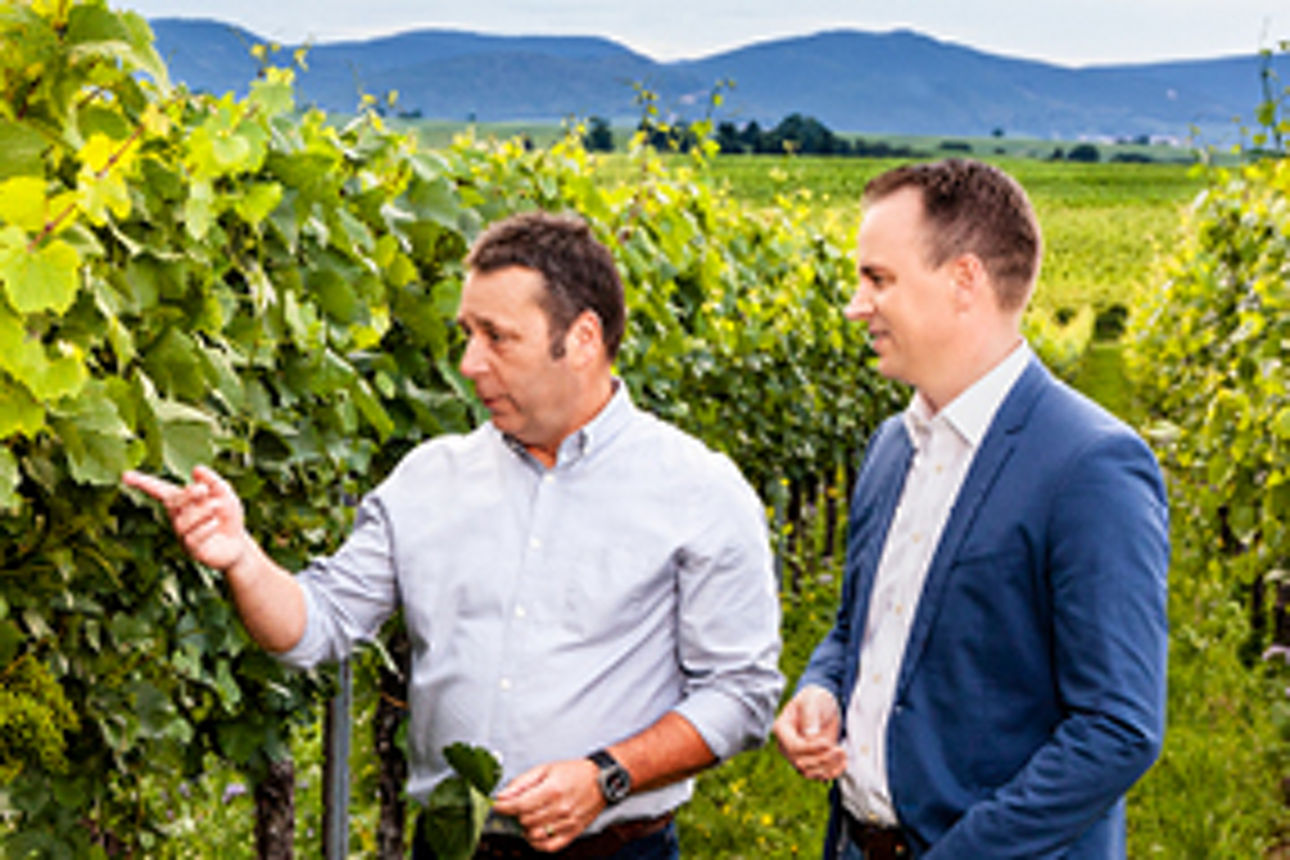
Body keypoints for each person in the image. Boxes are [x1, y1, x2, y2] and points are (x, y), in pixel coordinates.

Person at [124, 211, 784, 858]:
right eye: (467, 333)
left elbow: (741, 694)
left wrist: (608, 776)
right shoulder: (429, 479)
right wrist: (241, 557)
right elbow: (316, 626)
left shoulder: (699, 490)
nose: (469, 363)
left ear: (582, 339)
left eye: (497, 337)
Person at [772, 159, 1168, 859]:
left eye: (878, 279)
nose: (856, 305)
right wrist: (821, 689)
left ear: (964, 281)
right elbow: (855, 628)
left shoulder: (1090, 465)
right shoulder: (892, 445)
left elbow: (1117, 729)